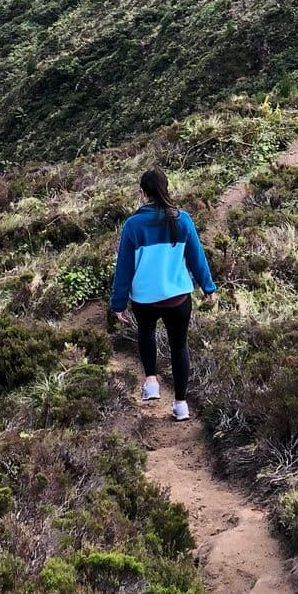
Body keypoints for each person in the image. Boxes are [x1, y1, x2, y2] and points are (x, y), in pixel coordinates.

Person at [109, 168, 216, 421]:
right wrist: (208, 287)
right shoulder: (182, 219)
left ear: (143, 193)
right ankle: (180, 405)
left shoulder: (133, 225)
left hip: (144, 299)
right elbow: (196, 258)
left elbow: (124, 267)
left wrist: (118, 303)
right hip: (178, 297)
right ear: (167, 188)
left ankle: (151, 382)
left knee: (145, 333)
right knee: (179, 347)